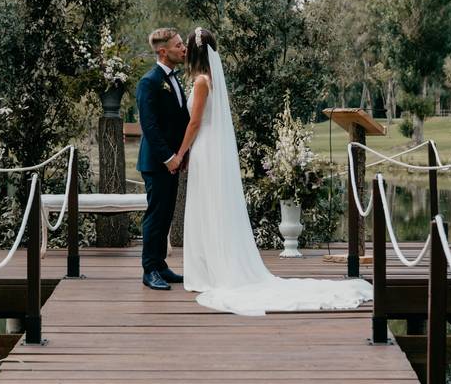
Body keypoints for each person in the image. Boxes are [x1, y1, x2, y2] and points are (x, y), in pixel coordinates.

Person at [176, 27, 372, 315]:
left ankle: (210, 271)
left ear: (194, 52)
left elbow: (194, 123)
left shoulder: (202, 82)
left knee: (208, 206)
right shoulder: (209, 80)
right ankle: (209, 267)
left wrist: (182, 153)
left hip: (204, 148)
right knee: (209, 206)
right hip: (207, 148)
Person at [135, 28, 190, 290]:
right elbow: (150, 126)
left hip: (173, 162)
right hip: (157, 163)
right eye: (178, 45)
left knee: (166, 215)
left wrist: (183, 154)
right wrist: (168, 157)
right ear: (163, 51)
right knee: (155, 216)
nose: (183, 49)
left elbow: (179, 120)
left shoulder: (174, 79)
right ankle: (149, 270)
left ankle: (161, 265)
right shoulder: (149, 81)